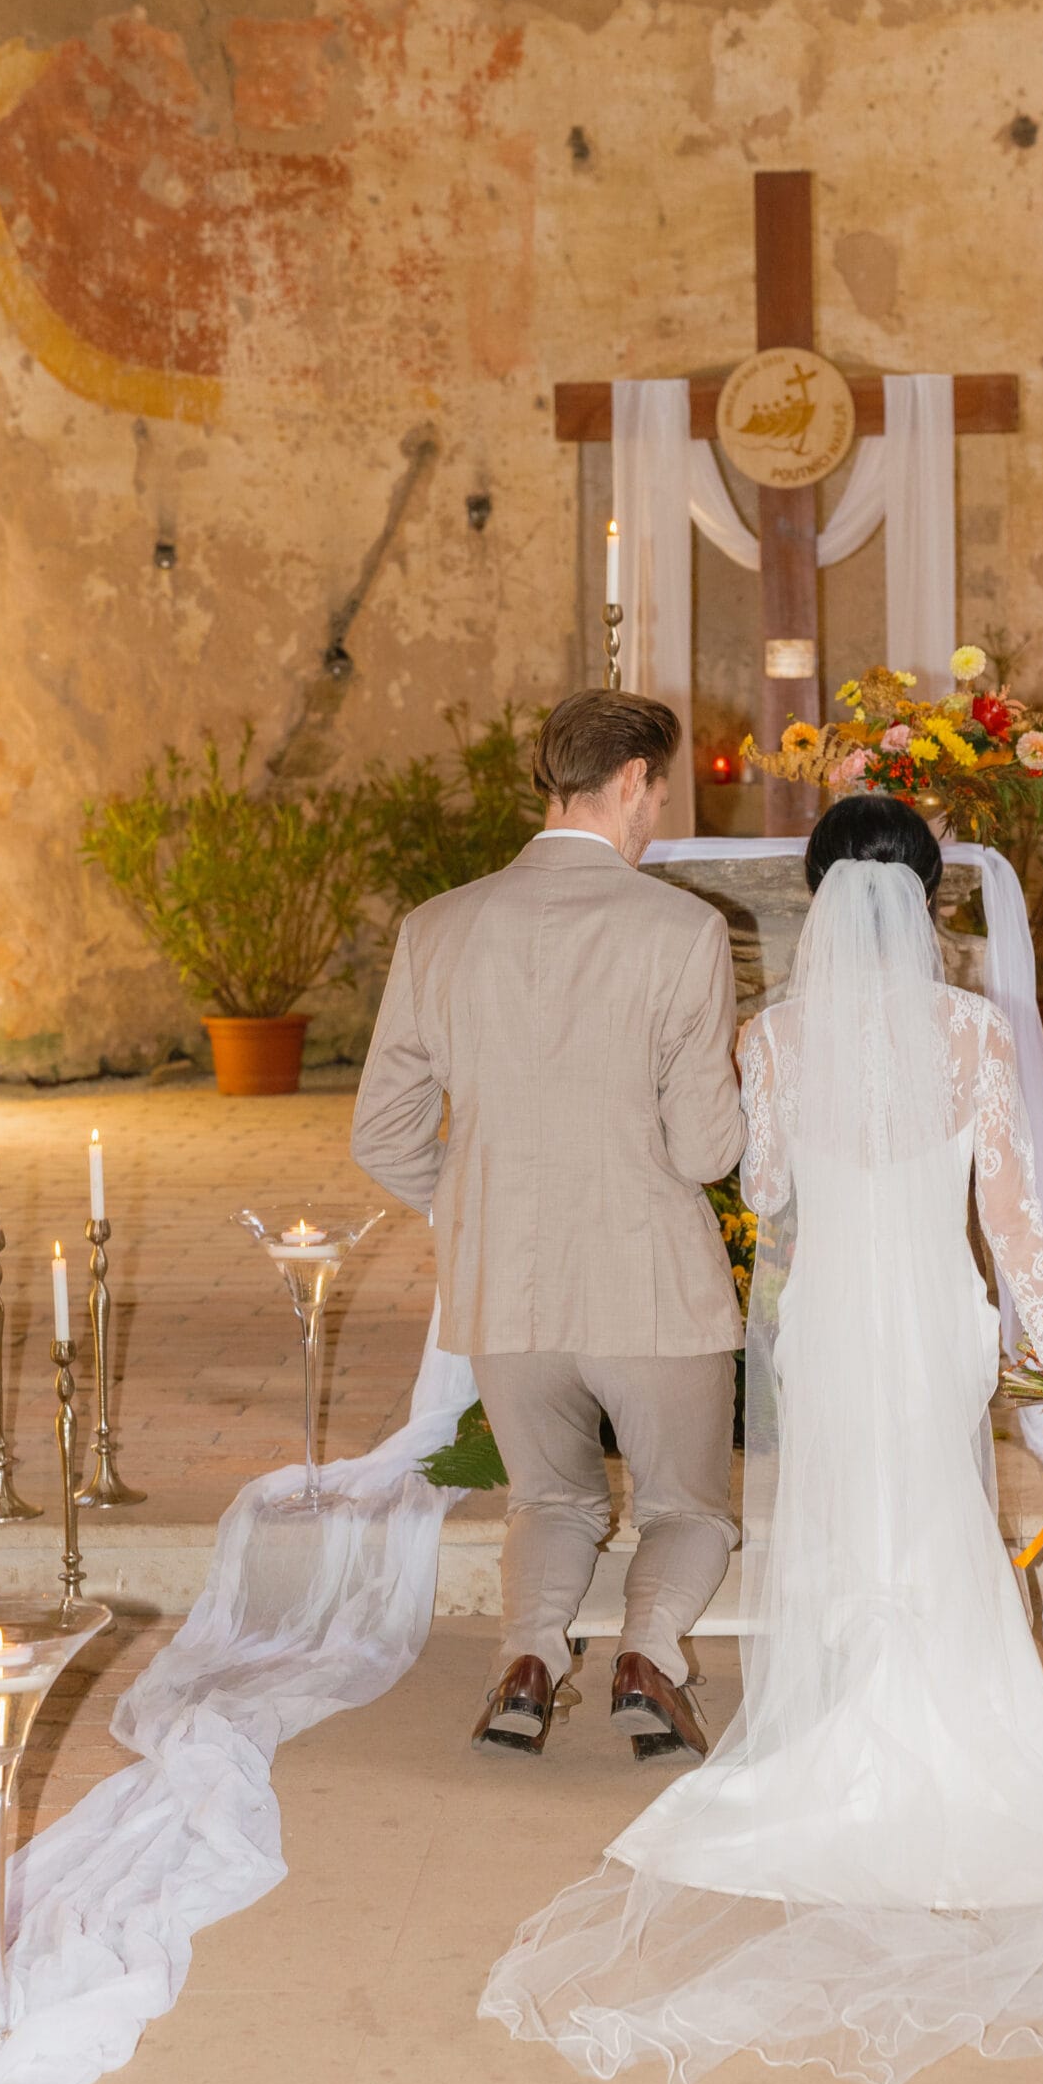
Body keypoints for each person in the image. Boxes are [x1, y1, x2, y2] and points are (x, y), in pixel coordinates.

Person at [479, 797, 1043, 2084]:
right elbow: (1012, 1224)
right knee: (930, 1505)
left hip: (826, 1320)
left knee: (839, 1510)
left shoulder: (773, 1038)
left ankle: (835, 1727)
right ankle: (936, 1732)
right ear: (925, 901)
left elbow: (763, 1192)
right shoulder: (973, 1033)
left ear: (818, 904)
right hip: (931, 1317)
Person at [351, 689, 746, 1761]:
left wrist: (474, 1205)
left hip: (506, 1290)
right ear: (631, 780)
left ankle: (526, 1661)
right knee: (687, 1510)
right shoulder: (683, 930)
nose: (657, 813)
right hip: (650, 1285)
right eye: (658, 791)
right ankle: (646, 1656)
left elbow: (382, 1132)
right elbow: (707, 1152)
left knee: (550, 1501)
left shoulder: (438, 928)